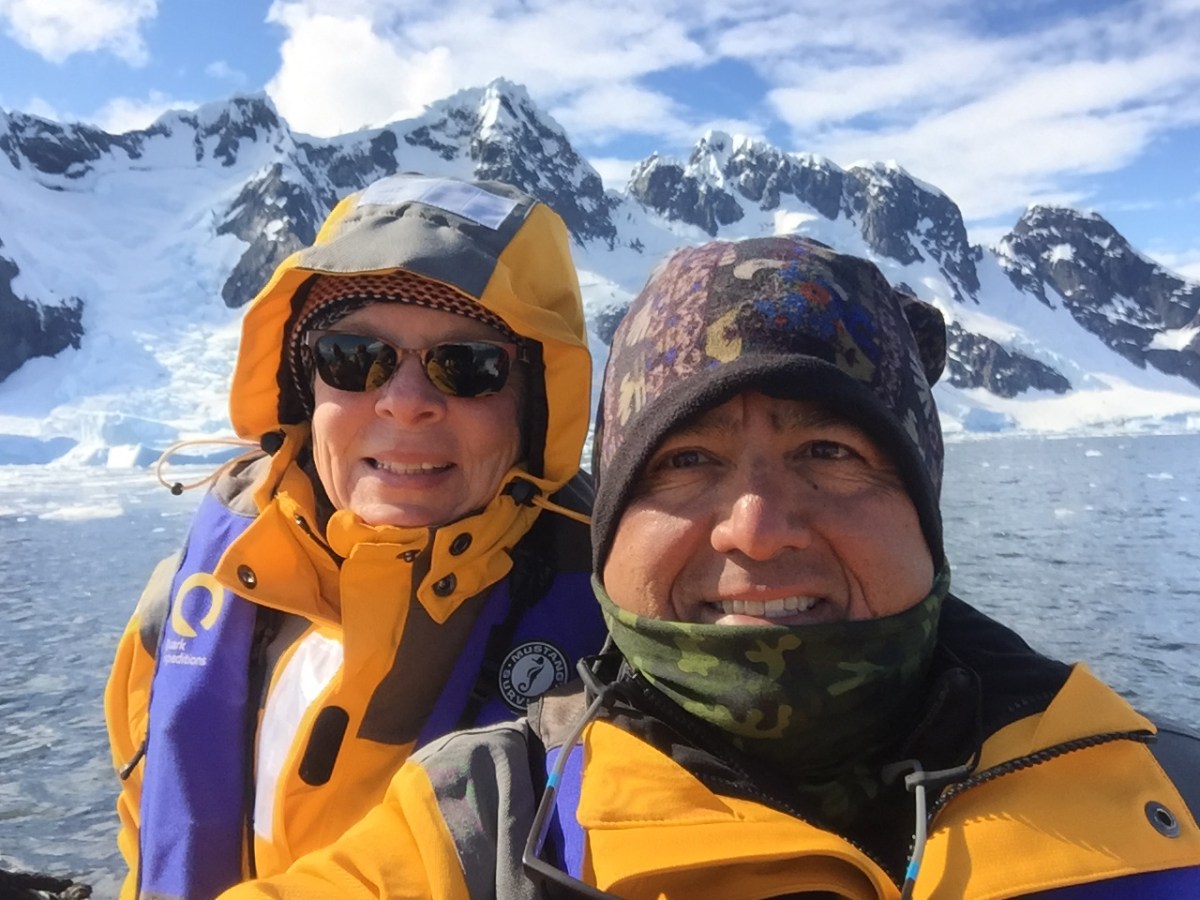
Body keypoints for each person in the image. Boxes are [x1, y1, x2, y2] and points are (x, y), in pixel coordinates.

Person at [221, 236, 1200, 899]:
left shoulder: (1169, 794)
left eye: (830, 452)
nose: (756, 529)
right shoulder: (483, 827)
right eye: (686, 461)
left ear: (922, 506)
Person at [104, 173, 607, 898]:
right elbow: (141, 836)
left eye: (469, 366)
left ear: (537, 408)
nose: (405, 403)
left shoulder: (615, 639)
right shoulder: (183, 606)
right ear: (306, 386)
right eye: (353, 356)